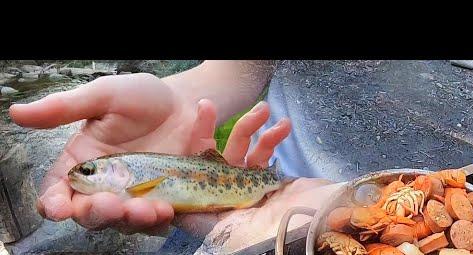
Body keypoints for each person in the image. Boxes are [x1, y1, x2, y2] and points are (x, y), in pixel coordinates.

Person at [9, 60, 338, 237]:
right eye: (88, 170)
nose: (81, 174)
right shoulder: (135, 183)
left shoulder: (139, 185)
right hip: (274, 176)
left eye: (89, 170)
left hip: (288, 192)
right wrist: (184, 98)